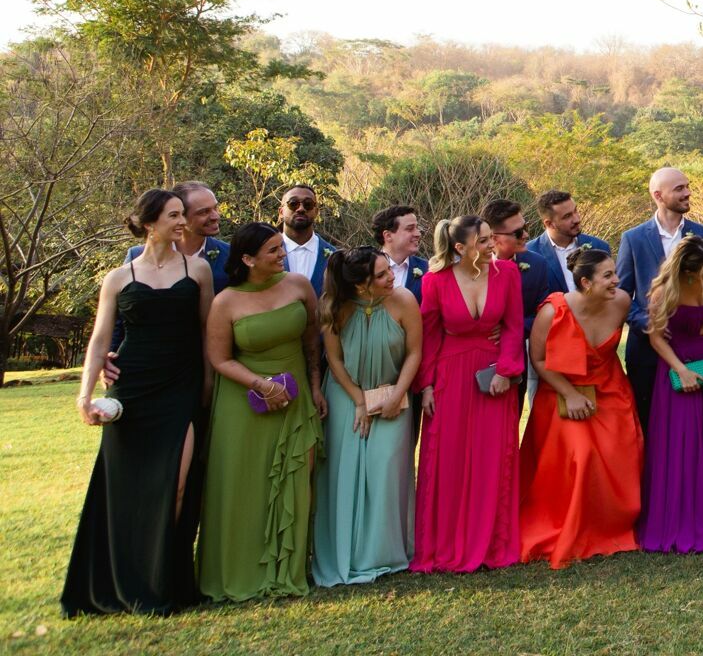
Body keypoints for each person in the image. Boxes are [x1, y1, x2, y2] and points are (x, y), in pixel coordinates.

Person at [62, 189, 213, 617]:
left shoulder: (198, 269)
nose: (182, 222)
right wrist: (85, 394)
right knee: (128, 489)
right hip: (132, 389)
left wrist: (206, 389)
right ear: (150, 224)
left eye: (183, 214)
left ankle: (165, 580)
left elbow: (206, 334)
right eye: (173, 215)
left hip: (181, 387)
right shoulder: (118, 277)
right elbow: (99, 339)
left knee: (178, 485)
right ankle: (125, 583)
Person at [198, 220, 325, 603]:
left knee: (296, 482)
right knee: (244, 485)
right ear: (248, 259)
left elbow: (312, 342)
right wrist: (260, 384)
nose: (282, 254)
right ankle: (241, 569)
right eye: (272, 251)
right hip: (243, 403)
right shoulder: (226, 302)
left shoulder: (299, 286)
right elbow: (219, 359)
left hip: (297, 396)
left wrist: (315, 387)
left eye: (280, 248)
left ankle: (289, 568)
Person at [412, 215, 523, 573]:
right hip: (451, 376)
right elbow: (429, 335)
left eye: (492, 238)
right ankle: (445, 544)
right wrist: (426, 385)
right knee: (448, 459)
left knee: (493, 458)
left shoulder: (507, 273)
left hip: (493, 378)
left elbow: (513, 326)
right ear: (460, 248)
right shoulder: (434, 280)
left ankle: (492, 541)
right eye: (484, 241)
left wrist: (506, 370)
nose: (493, 245)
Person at [520, 249, 643, 568]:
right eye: (608, 276)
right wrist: (570, 394)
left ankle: (613, 524)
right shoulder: (553, 310)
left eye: (615, 273)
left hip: (611, 392)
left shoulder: (621, 303)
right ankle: (571, 525)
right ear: (585, 282)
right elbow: (540, 359)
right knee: (582, 453)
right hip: (563, 394)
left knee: (624, 450)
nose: (617, 280)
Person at [313, 246, 422, 586]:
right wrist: (359, 401)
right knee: (344, 473)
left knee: (386, 467)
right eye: (381, 274)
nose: (391, 276)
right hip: (347, 394)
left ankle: (382, 554)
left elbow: (415, 352)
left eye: (388, 269)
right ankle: (346, 550)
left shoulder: (404, 301)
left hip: (393, 393)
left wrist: (397, 394)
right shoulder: (334, 307)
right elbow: (334, 360)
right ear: (361, 286)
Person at [641, 236, 703, 553]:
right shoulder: (664, 292)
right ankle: (681, 519)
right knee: (682, 444)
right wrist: (680, 370)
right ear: (689, 271)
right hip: (678, 366)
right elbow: (656, 339)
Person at [615, 168, 703, 431]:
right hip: (647, 350)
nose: (688, 193)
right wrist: (649, 323)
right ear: (659, 195)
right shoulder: (632, 238)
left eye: (687, 186)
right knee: (650, 422)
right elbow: (622, 294)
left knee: (690, 422)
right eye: (680, 189)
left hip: (692, 345)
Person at [125, 180, 229, 294]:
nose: (216, 216)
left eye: (215, 208)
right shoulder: (136, 255)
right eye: (204, 212)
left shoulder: (230, 253)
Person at [486, 198, 561, 349]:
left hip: (518, 351)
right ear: (494, 238)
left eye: (525, 227)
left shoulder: (537, 264)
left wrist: (511, 328)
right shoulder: (473, 266)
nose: (526, 235)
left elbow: (544, 314)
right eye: (518, 232)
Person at [525, 189, 610, 296]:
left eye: (575, 211)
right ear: (549, 224)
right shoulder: (530, 254)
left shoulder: (599, 247)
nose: (576, 219)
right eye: (567, 216)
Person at [275, 183, 335, 294]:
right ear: (281, 212)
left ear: (316, 211)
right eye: (293, 203)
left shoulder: (334, 257)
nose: (301, 209)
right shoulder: (263, 255)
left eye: (308, 204)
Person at [371, 205, 430, 301]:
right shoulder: (367, 269)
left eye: (417, 228)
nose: (418, 234)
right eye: (410, 229)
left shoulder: (428, 269)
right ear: (388, 236)